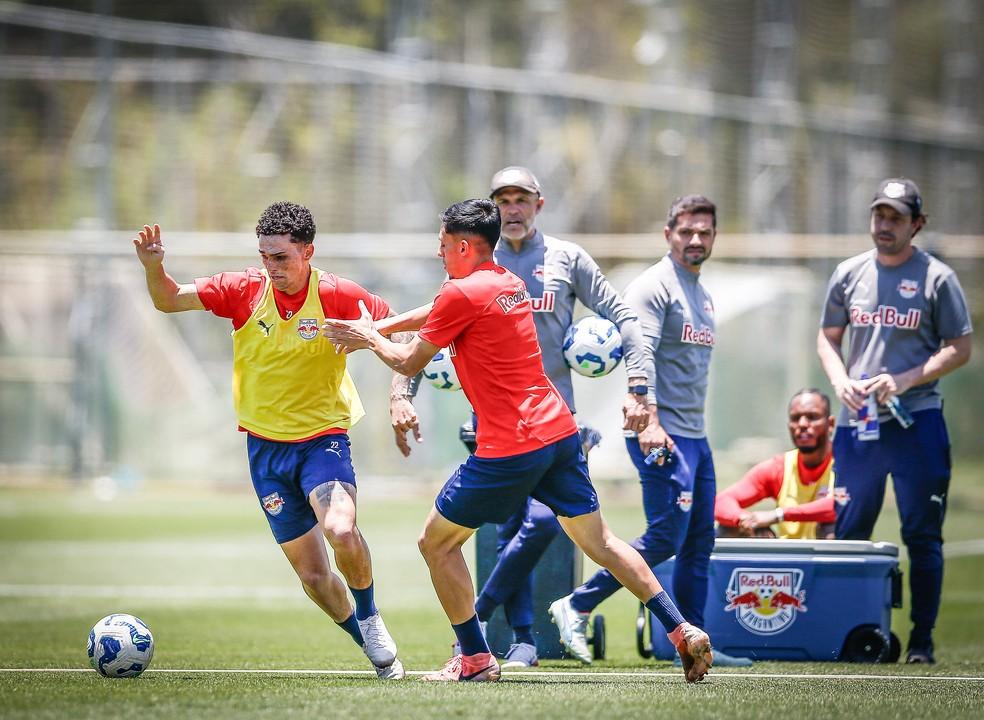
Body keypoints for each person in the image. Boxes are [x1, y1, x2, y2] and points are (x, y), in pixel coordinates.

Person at [323, 198, 713, 683]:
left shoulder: (461, 295)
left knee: (436, 544)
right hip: (559, 433)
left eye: (443, 245)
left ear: (464, 246)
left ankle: (475, 658)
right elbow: (437, 307)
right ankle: (682, 631)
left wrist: (367, 336)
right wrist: (381, 324)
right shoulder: (508, 282)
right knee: (603, 542)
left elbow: (406, 362)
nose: (438, 252)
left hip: (511, 447)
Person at [132, 202, 406, 679]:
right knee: (315, 578)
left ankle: (370, 613)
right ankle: (370, 646)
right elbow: (168, 299)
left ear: (308, 252)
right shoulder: (242, 289)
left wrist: (395, 382)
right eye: (264, 256)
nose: (271, 267)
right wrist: (155, 268)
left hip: (323, 440)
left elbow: (402, 330)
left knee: (340, 529)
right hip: (265, 452)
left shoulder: (338, 294)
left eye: (281, 257)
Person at [394, 166, 651, 668]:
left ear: (539, 203)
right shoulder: (469, 269)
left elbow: (623, 316)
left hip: (552, 421)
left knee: (535, 528)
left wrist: (639, 386)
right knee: (505, 534)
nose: (513, 207)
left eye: (522, 198)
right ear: (492, 210)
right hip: (496, 423)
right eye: (503, 199)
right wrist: (402, 391)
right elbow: (434, 318)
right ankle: (522, 642)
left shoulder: (564, 259)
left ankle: (482, 635)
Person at [548, 194, 750, 668]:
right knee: (664, 537)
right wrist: (651, 418)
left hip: (695, 438)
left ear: (714, 237)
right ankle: (576, 604)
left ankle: (696, 642)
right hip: (659, 432)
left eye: (704, 231)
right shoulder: (653, 288)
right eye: (686, 231)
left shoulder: (701, 291)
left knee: (699, 541)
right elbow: (640, 355)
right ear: (668, 235)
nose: (695, 239)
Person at [817, 177, 972, 664]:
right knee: (848, 532)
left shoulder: (937, 279)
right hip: (857, 424)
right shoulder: (848, 273)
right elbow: (828, 336)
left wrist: (903, 380)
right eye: (879, 215)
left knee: (921, 534)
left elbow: (960, 348)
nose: (884, 225)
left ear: (917, 225)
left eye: (896, 218)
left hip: (916, 423)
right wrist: (840, 379)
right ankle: (842, 636)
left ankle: (921, 642)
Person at [715, 389, 836, 539]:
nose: (803, 424)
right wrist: (746, 520)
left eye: (812, 417)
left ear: (830, 424)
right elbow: (721, 501)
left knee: (830, 528)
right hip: (785, 556)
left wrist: (778, 515)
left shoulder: (845, 464)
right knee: (729, 528)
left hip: (824, 558)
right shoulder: (779, 467)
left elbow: (840, 506)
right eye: (795, 418)